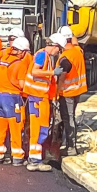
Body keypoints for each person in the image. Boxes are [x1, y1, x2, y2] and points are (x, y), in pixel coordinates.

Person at [23, 32, 67, 171]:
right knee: (38, 129)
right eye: (59, 49)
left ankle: (34, 158)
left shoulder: (46, 57)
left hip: (40, 97)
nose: (58, 52)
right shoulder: (42, 55)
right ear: (54, 46)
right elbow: (35, 72)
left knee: (40, 129)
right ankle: (34, 161)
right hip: (37, 97)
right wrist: (52, 73)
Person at [0, 36, 30, 166]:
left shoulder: (1, 58)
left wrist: (0, 85)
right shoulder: (20, 64)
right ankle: (17, 157)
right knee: (16, 126)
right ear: (21, 51)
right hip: (13, 98)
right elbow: (22, 85)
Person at [56, 27, 87, 156]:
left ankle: (71, 148)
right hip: (78, 90)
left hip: (67, 92)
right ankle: (69, 145)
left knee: (68, 119)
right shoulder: (78, 51)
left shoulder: (65, 57)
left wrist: (57, 91)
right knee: (70, 117)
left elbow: (62, 76)